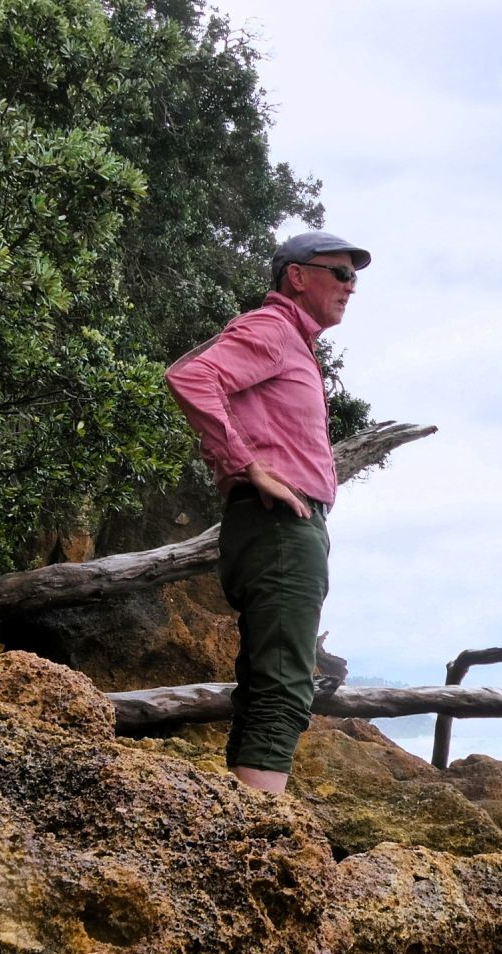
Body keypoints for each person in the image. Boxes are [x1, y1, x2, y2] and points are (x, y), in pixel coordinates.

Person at [165, 231, 370, 794]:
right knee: (284, 685)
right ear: (297, 276)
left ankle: (242, 820)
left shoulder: (289, 340)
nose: (351, 287)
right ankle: (260, 828)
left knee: (262, 682)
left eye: (356, 277)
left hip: (277, 527)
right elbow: (190, 377)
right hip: (280, 528)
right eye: (340, 273)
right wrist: (246, 463)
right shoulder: (274, 329)